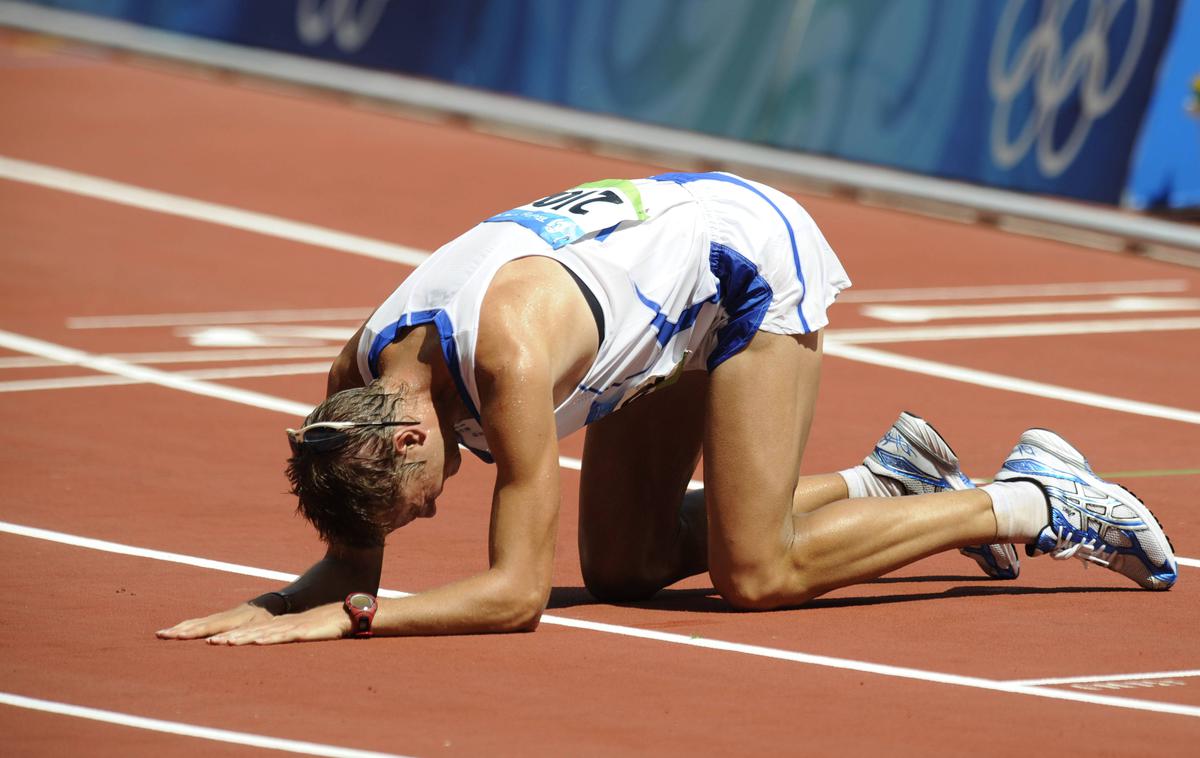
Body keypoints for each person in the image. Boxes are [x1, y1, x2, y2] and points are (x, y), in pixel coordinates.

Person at [156, 172, 1177, 645]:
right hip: (647, 310)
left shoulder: (504, 364)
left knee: (756, 572)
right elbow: (353, 554)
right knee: (630, 565)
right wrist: (285, 601)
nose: (425, 516)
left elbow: (515, 594)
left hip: (739, 269)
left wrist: (361, 617)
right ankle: (888, 482)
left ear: (415, 436)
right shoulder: (359, 388)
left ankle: (1031, 499)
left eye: (414, 501)